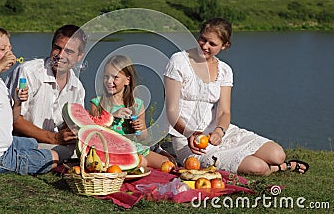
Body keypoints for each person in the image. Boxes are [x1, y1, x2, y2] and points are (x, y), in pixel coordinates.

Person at [164, 17, 309, 176]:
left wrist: (219, 131)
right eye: (202, 40)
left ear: (225, 46)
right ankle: (278, 168)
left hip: (217, 135)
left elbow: (224, 112)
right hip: (188, 141)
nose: (205, 46)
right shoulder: (179, 61)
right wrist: (190, 133)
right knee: (258, 167)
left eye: (212, 44)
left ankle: (266, 162)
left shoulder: (225, 70)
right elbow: (171, 110)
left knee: (277, 154)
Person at [0, 26, 58, 174]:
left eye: (10, 48)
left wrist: (17, 103)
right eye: (3, 50)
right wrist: (0, 65)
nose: (9, 53)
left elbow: (13, 119)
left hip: (3, 145)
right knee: (53, 158)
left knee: (35, 144)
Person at [5, 25, 87, 162]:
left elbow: (72, 124)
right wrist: (54, 138)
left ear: (79, 57)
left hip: (51, 144)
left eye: (69, 52)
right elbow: (13, 120)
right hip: (19, 141)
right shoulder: (28, 72)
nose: (60, 56)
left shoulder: (77, 88)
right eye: (57, 48)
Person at [89, 55, 171, 169]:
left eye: (115, 77)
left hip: (132, 146)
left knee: (165, 163)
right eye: (106, 77)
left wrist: (140, 128)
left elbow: (142, 137)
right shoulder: (97, 103)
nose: (109, 81)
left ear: (127, 80)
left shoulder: (137, 104)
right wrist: (112, 117)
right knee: (141, 162)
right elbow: (93, 131)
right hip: (108, 150)